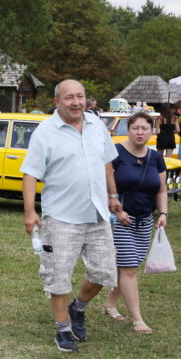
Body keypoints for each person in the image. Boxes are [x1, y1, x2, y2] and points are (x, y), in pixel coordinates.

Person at [20, 79, 122, 352]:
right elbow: (30, 173)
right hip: (61, 216)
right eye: (69, 98)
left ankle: (78, 309)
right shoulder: (45, 132)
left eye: (80, 96)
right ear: (57, 101)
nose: (76, 102)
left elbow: (107, 163)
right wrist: (30, 212)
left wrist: (113, 196)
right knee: (59, 275)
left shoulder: (96, 124)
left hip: (97, 214)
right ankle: (63, 329)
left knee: (104, 272)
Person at [102, 112, 166, 334]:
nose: (140, 132)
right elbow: (107, 187)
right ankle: (138, 319)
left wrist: (163, 213)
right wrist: (116, 209)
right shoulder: (116, 153)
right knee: (129, 268)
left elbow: (162, 189)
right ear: (128, 130)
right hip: (121, 219)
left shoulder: (156, 157)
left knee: (129, 267)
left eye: (145, 128)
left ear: (152, 131)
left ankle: (109, 304)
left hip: (145, 220)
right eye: (135, 128)